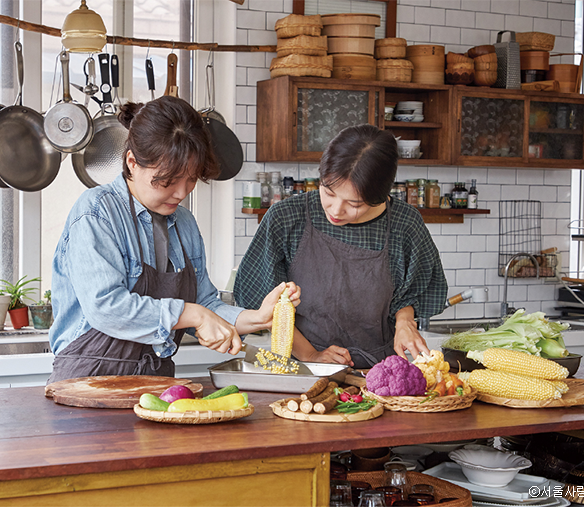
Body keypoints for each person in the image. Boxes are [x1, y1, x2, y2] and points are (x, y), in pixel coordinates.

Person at [48, 95, 299, 383]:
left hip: (156, 381)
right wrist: (192, 314)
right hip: (88, 382)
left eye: (191, 179)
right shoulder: (97, 213)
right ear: (132, 162)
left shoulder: (184, 224)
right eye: (167, 181)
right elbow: (106, 307)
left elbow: (205, 303)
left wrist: (257, 317)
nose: (181, 193)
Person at [234, 124, 447, 369]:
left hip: (379, 371)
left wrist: (404, 323)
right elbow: (266, 307)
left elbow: (412, 293)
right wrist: (311, 355)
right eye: (328, 191)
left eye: (353, 203)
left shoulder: (404, 223)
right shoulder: (286, 217)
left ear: (379, 195)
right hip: (301, 371)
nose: (335, 210)